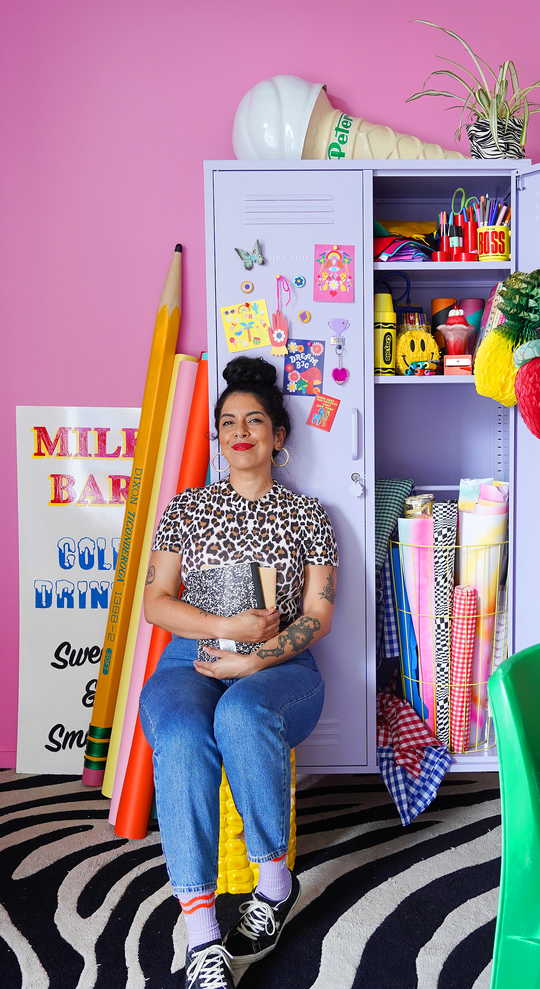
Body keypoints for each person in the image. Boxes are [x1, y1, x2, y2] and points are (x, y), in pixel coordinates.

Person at [140, 356, 337, 989]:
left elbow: (319, 615)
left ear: (279, 435)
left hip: (282, 669)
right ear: (217, 436)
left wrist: (256, 653)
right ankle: (202, 938)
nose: (240, 430)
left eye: (255, 419)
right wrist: (224, 632)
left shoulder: (310, 516)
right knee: (177, 732)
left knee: (243, 712)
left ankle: (274, 888)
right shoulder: (187, 509)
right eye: (228, 421)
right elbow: (155, 602)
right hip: (190, 661)